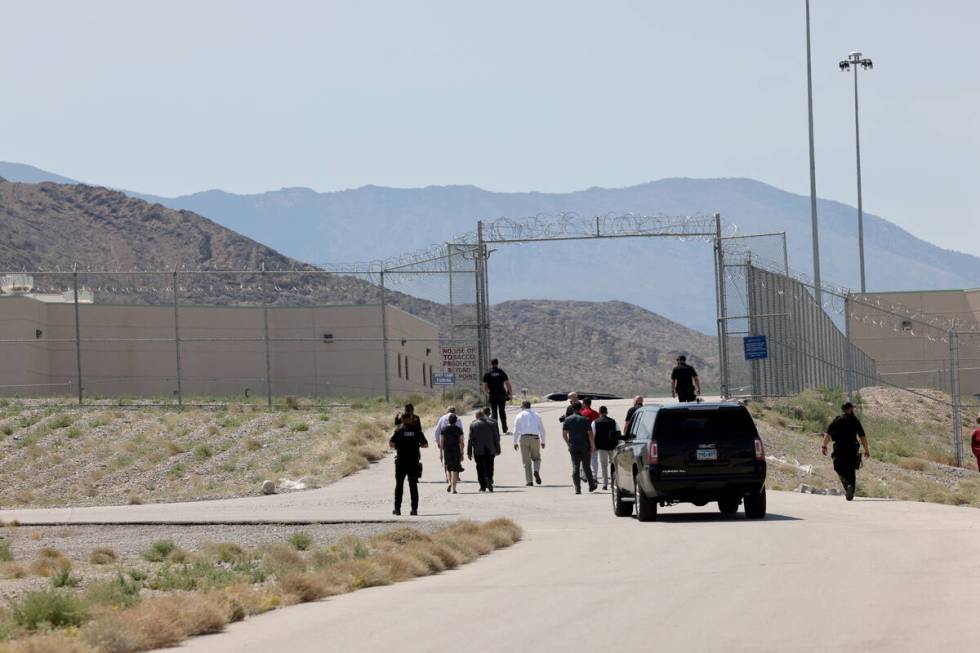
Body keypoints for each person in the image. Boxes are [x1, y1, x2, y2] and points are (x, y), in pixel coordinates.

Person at [821, 401, 871, 501]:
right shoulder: (855, 421)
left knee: (838, 467)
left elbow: (828, 434)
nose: (852, 410)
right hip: (852, 448)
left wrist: (824, 446)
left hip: (840, 448)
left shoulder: (837, 420)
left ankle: (848, 486)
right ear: (848, 409)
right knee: (851, 470)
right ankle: (850, 490)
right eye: (851, 408)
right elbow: (862, 436)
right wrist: (866, 450)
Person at [388, 409, 428, 516]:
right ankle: (414, 510)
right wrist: (416, 446)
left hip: (401, 461)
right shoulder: (416, 430)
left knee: (399, 485)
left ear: (402, 420)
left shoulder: (399, 430)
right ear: (410, 420)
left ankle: (397, 509)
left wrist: (399, 446)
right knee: (413, 485)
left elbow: (391, 444)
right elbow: (425, 445)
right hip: (413, 461)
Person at [563, 401, 597, 494]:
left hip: (573, 446)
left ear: (572, 409)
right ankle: (591, 485)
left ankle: (577, 488)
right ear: (581, 409)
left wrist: (568, 443)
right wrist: (592, 445)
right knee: (586, 467)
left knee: (575, 466)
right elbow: (590, 434)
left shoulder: (568, 419)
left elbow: (564, 434)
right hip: (585, 446)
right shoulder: (585, 419)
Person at [512, 400, 546, 486]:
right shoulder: (537, 415)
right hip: (535, 438)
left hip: (523, 438)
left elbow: (516, 430)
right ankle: (536, 471)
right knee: (537, 458)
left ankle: (529, 481)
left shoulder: (519, 415)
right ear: (530, 406)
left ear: (523, 406)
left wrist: (515, 442)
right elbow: (542, 429)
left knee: (526, 461)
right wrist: (543, 441)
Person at [467, 408, 501, 492]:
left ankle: (482, 486)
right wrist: (498, 448)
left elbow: (470, 440)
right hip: (490, 449)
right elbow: (496, 438)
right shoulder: (493, 423)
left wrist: (469, 452)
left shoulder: (473, 425)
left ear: (477, 416)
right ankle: (489, 478)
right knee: (490, 466)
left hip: (478, 451)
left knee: (480, 468)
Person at [592, 406, 621, 490]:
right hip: (612, 447)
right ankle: (614, 482)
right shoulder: (613, 421)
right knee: (614, 465)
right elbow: (618, 432)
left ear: (599, 412)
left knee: (604, 466)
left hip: (601, 447)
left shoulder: (595, 422)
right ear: (607, 412)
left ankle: (605, 484)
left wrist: (593, 446)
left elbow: (592, 435)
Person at [482, 358, 513, 434]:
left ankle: (495, 430)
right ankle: (505, 429)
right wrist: (510, 394)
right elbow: (508, 384)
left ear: (491, 364)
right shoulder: (501, 372)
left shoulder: (487, 373)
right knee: (502, 412)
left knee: (494, 413)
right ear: (497, 363)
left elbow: (485, 386)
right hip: (501, 395)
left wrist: (486, 395)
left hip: (492, 395)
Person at [439, 413, 465, 494]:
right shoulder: (458, 429)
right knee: (455, 469)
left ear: (448, 421)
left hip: (447, 450)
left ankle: (449, 482)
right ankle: (454, 489)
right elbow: (461, 442)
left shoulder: (444, 430)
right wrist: (462, 452)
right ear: (456, 421)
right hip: (456, 450)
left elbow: (441, 442)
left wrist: (441, 453)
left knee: (448, 467)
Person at [434, 406, 457, 483]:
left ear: (447, 411)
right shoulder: (457, 418)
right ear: (454, 411)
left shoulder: (442, 418)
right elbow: (461, 432)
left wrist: (438, 442)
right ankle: (455, 476)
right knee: (455, 460)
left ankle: (448, 477)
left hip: (445, 443)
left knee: (446, 460)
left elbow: (437, 431)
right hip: (455, 443)